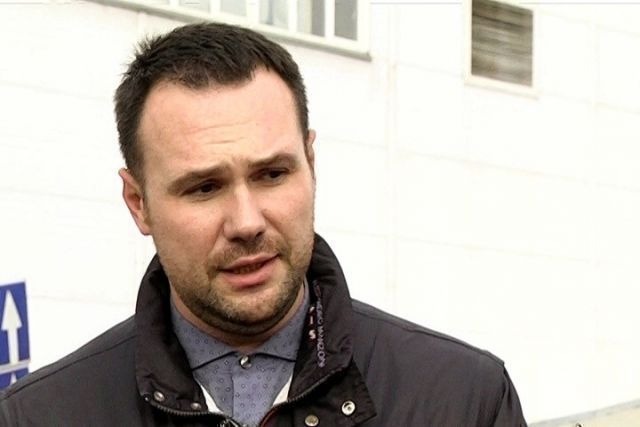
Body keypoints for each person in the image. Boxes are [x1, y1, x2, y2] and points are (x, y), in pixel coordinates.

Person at [0, 22, 527, 426]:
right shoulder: (36, 417)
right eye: (204, 187)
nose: (247, 222)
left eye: (272, 174)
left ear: (311, 165)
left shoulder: (465, 400)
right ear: (138, 203)